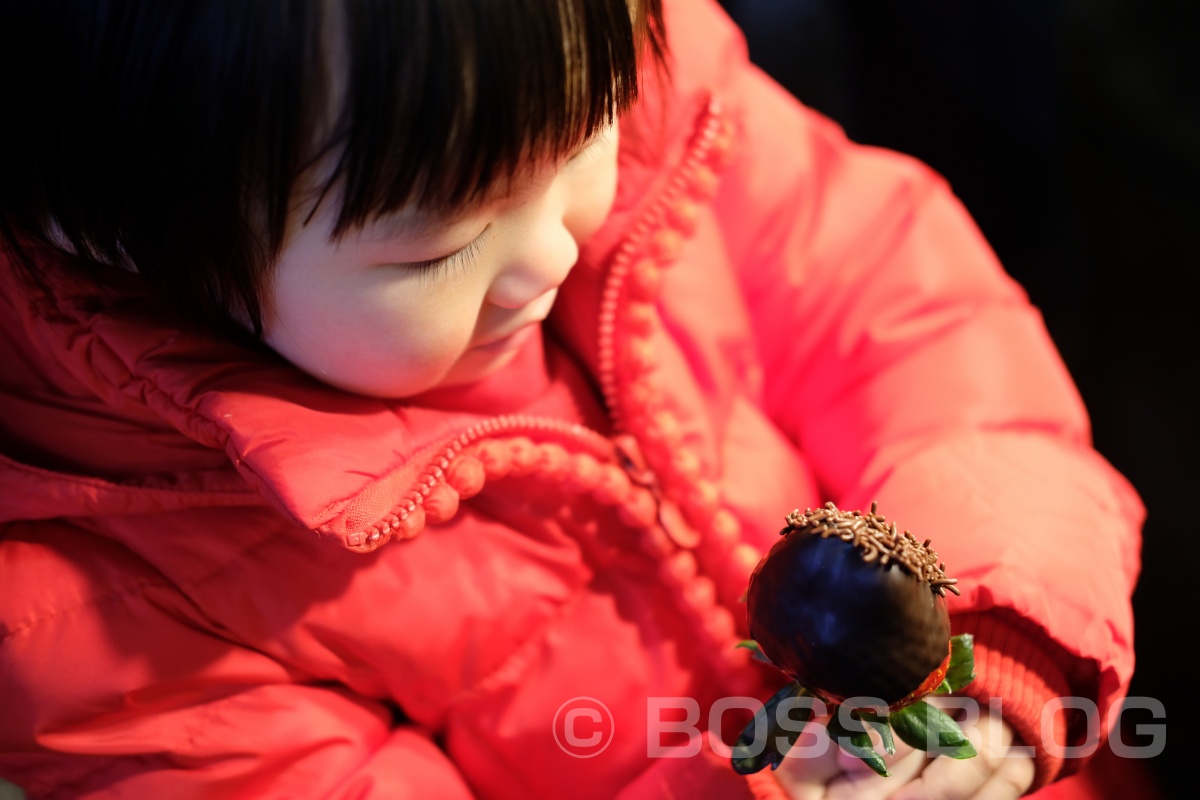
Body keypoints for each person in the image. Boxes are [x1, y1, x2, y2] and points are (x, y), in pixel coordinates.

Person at [0, 1, 1142, 798]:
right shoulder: (96, 620)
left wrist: (997, 637)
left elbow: (930, 344)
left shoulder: (682, 129)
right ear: (113, 239)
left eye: (584, 127)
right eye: (436, 248)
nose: (552, 247)